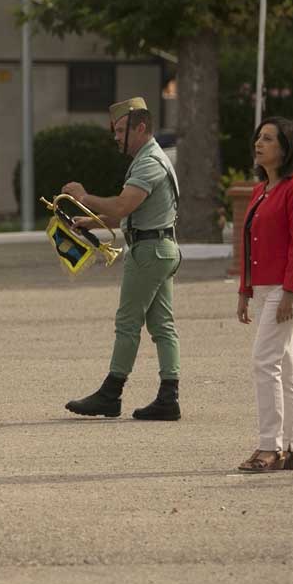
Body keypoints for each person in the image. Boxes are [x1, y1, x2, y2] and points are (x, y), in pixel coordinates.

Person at [63, 97, 182, 421]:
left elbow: (121, 206)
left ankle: (111, 393)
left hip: (148, 252)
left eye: (119, 130)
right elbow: (129, 213)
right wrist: (91, 221)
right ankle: (168, 396)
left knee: (128, 323)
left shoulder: (148, 162)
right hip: (159, 248)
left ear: (140, 127)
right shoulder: (151, 157)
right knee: (161, 326)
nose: (115, 136)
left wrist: (83, 197)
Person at [236, 117, 293, 472]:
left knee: (264, 361)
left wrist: (290, 291)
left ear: (286, 149)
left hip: (287, 287)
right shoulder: (259, 191)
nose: (259, 143)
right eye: (258, 137)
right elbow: (248, 243)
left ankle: (270, 446)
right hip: (265, 286)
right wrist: (244, 290)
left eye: (268, 139)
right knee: (284, 365)